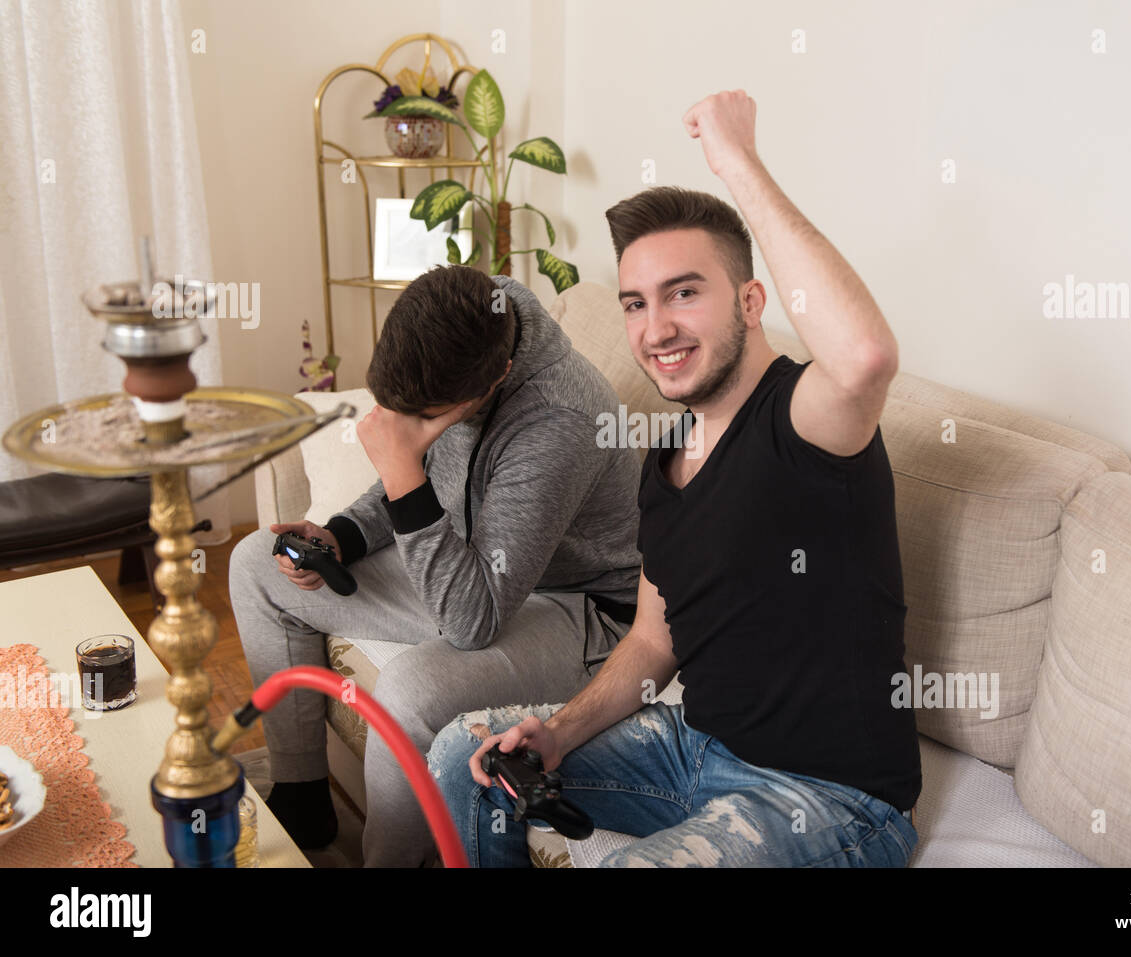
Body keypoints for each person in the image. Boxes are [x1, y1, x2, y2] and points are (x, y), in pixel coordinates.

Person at [427, 90, 922, 867]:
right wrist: (557, 733)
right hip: (693, 749)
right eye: (635, 303)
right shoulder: (662, 458)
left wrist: (737, 161)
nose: (655, 329)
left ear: (752, 301)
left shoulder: (805, 416)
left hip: (829, 796)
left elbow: (865, 355)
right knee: (468, 753)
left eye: (684, 293)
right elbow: (654, 640)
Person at [228, 265, 642, 866]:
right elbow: (416, 476)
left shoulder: (559, 421)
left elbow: (471, 622)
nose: (414, 427)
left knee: (411, 689)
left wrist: (403, 471)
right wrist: (340, 535)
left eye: (427, 417)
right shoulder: (469, 326)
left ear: (496, 378)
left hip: (581, 610)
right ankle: (302, 798)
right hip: (475, 568)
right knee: (253, 565)